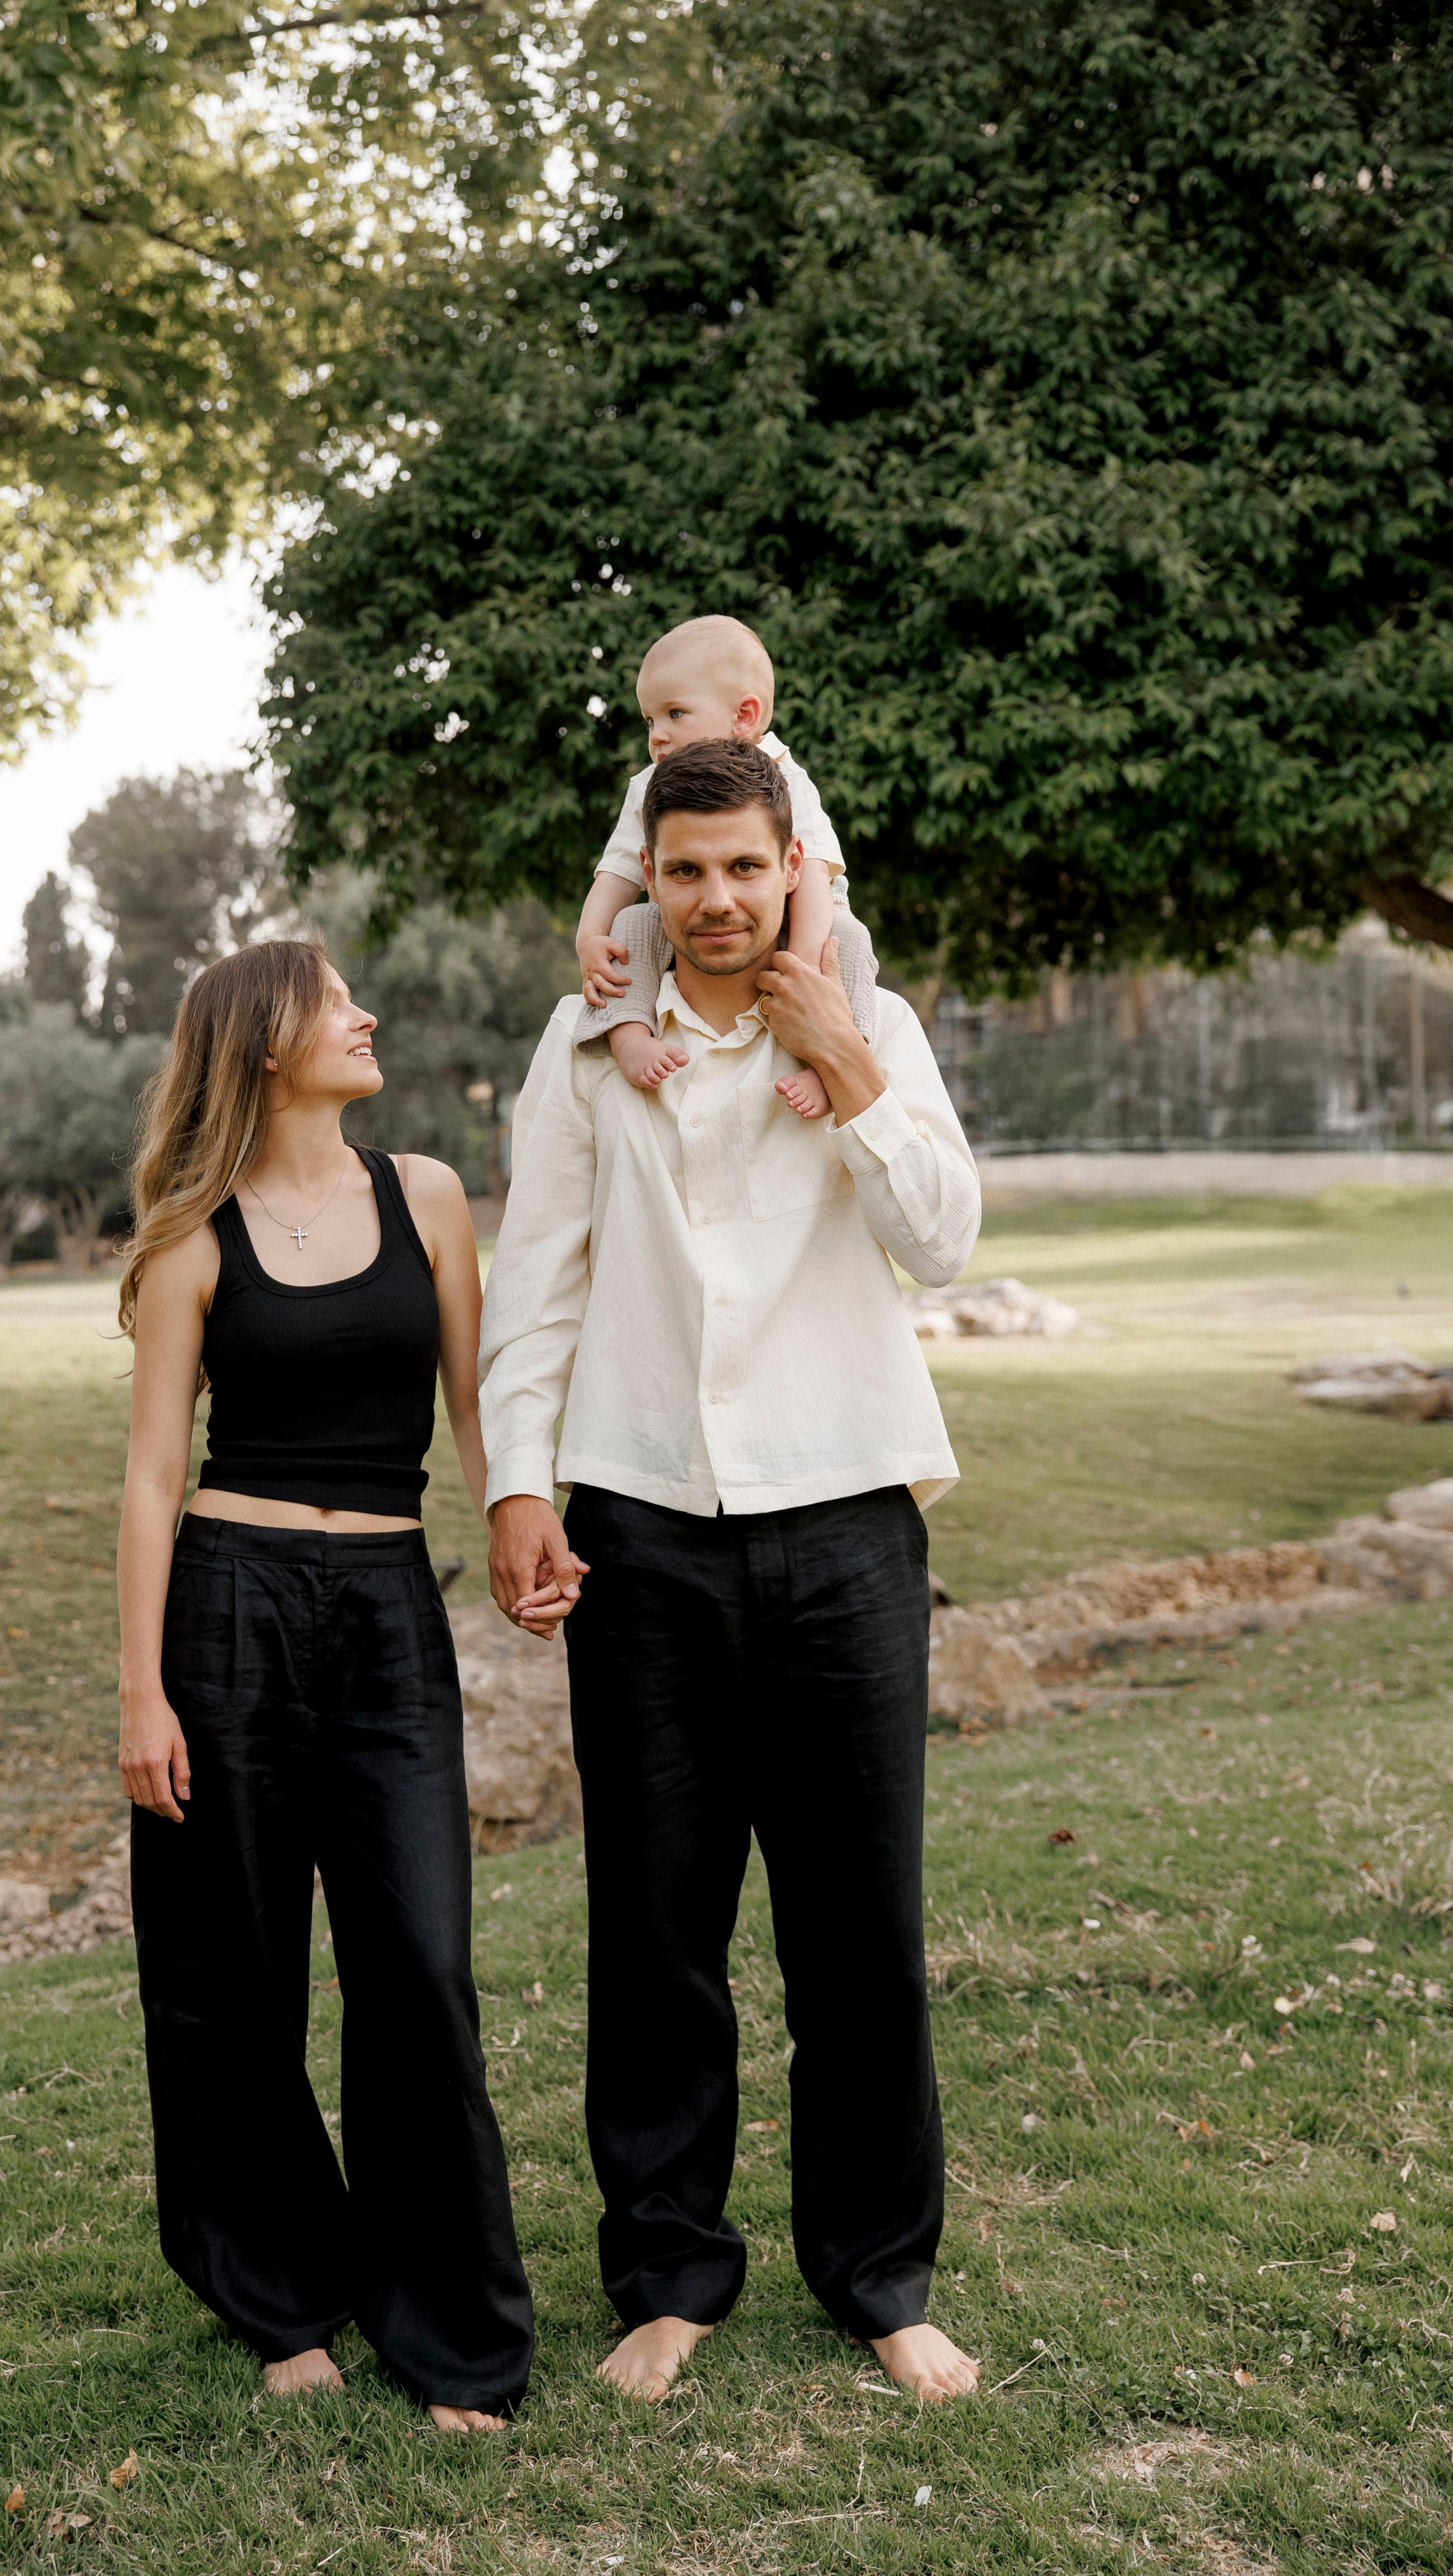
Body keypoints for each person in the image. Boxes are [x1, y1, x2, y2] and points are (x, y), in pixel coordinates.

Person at [481, 739, 982, 2406]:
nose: (711, 899)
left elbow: (939, 1237)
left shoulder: (871, 1024)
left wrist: (842, 1061)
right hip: (636, 1525)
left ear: (789, 869)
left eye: (740, 869)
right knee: (652, 1925)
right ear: (651, 873)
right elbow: (535, 1279)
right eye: (681, 869)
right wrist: (514, 1482)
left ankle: (877, 2274)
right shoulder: (582, 1046)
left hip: (844, 1517)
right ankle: (668, 2273)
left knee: (858, 1929)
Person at [114, 939, 534, 2431]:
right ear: (263, 1043)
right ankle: (279, 2292)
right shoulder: (192, 1232)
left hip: (385, 1607)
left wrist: (515, 1522)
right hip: (226, 1609)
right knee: (230, 1975)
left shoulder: (423, 1194)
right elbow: (157, 1471)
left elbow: (480, 1405)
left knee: (416, 1966)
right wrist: (139, 1693)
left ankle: (449, 2327)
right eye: (333, 1002)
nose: (365, 1015)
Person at [572, 614, 877, 1115]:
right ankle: (628, 1038)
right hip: (688, 929)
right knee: (630, 924)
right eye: (650, 720)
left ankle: (835, 1060)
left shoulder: (786, 778)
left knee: (851, 942)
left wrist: (800, 977)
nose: (658, 736)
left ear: (744, 716)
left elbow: (815, 882)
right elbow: (618, 870)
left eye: (675, 714)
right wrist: (589, 940)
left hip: (801, 925)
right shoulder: (649, 784)